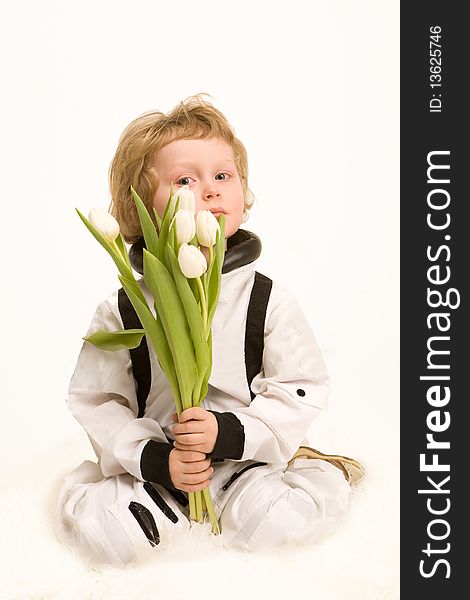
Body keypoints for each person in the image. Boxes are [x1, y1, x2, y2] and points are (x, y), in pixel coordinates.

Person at [55, 94, 364, 567]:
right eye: (185, 180)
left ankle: (312, 472)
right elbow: (98, 401)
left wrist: (229, 432)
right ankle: (145, 510)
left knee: (277, 524)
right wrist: (157, 460)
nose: (211, 190)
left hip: (244, 462)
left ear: (244, 191)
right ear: (140, 212)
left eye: (223, 175)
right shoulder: (124, 308)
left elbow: (300, 386)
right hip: (157, 469)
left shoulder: (267, 299)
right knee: (118, 539)